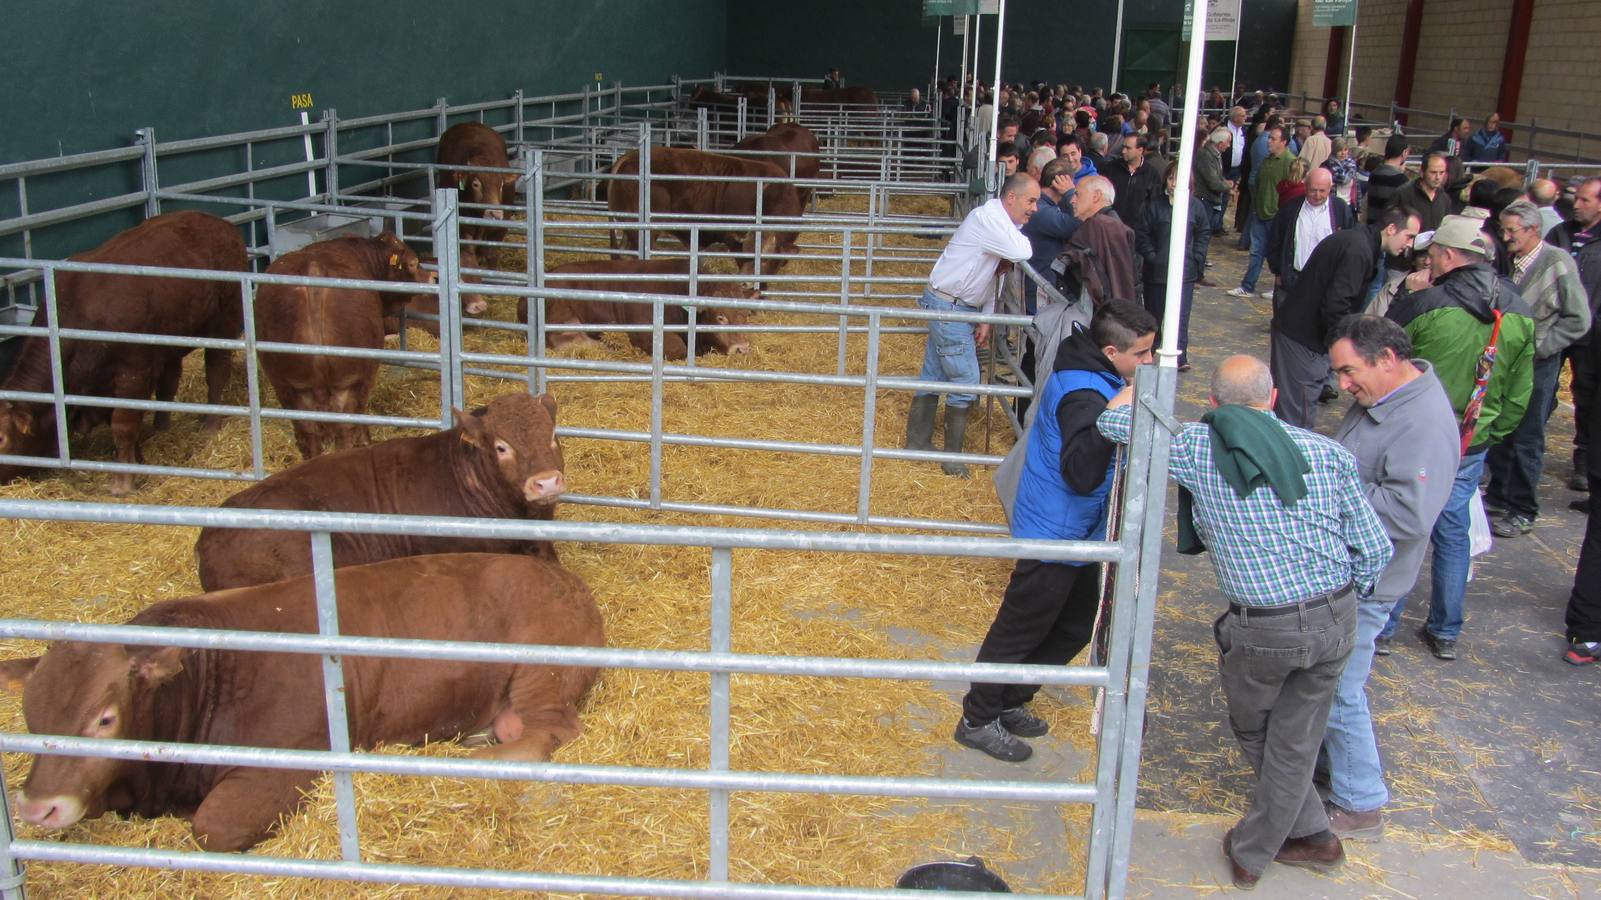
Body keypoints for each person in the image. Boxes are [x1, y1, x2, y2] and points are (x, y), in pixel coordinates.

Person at [1098, 355, 1392, 890]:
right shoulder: (1327, 452)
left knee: (1259, 728)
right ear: (1273, 397)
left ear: (1212, 405)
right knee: (1297, 737)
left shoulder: (1193, 448)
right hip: (1336, 613)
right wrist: (1347, 600)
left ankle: (1261, 848)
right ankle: (1313, 835)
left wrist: (1133, 383)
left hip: (1266, 627)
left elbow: (1111, 422)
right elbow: (1375, 549)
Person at [954, 301, 1157, 762]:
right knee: (1020, 628)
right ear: (1111, 351)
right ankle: (977, 719)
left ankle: (1010, 699)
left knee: (1078, 621)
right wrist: (1115, 416)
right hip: (1056, 526)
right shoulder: (1085, 394)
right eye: (1142, 355)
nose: (1149, 363)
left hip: (1080, 526)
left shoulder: (1097, 373)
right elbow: (1081, 472)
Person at [1321, 315, 1460, 841]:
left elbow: (1409, 512)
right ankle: (1330, 772)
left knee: (1339, 687)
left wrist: (1329, 496)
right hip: (1349, 570)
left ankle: (1361, 803)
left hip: (1371, 581)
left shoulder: (1421, 423)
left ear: (1387, 359)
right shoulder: (1380, 401)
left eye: (1349, 371)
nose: (1343, 385)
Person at [1382, 215, 1536, 660]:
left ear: (1448, 255)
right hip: (1473, 440)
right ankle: (1446, 629)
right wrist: (1490, 434)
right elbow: (1520, 392)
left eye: (1431, 255)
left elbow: (1382, 355)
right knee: (1454, 529)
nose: (1427, 262)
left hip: (1418, 436)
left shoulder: (1425, 303)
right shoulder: (1519, 312)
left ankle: (1385, 625)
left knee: (1407, 524)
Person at [904, 173, 1038, 476]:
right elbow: (1022, 252)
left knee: (935, 371)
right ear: (1011, 197)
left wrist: (985, 318)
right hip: (949, 305)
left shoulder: (1003, 225)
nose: (1035, 208)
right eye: (1031, 201)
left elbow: (995, 275)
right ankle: (952, 458)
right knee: (966, 378)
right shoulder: (989, 219)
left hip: (956, 304)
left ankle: (917, 441)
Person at [1482, 200, 1591, 536]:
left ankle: (1523, 508)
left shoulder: (1557, 263)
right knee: (1501, 427)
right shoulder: (1512, 261)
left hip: (1537, 366)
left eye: (1511, 230)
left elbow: (1579, 318)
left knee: (1527, 435)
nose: (1506, 236)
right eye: (1503, 229)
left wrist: (1543, 347)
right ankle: (1499, 495)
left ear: (1533, 230)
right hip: (1507, 360)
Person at [1271, 207, 1421, 428]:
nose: (1410, 245)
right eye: (1409, 236)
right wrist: (1345, 349)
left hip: (1302, 335)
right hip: (1304, 340)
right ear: (1391, 229)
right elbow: (1336, 305)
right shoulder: (1358, 250)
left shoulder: (1356, 241)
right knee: (1296, 417)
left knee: (1293, 410)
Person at [1549, 177, 1601, 501]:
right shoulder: (1561, 233)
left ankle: (1583, 462)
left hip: (1589, 334)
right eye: (1576, 199)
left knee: (1586, 397)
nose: (1576, 205)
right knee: (1540, 389)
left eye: (1584, 200)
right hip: (1555, 326)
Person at [1134, 160, 1207, 368]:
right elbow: (1142, 233)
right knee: (1153, 316)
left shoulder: (1196, 207)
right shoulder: (1154, 205)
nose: (1174, 182)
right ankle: (1149, 352)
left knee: (1181, 317)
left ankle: (1180, 356)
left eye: (1179, 177)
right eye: (1171, 177)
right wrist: (1152, 256)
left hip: (1185, 273)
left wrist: (1196, 257)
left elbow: (1203, 232)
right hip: (1156, 272)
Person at [1267, 168, 1356, 311]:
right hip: (1292, 278)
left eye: (1322, 191)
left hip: (1324, 282)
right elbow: (1275, 240)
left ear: (1330, 188)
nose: (1317, 195)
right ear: (1305, 186)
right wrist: (1277, 271)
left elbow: (1349, 246)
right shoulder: (1290, 208)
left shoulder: (1341, 210)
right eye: (1313, 190)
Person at [1229, 126, 1295, 300]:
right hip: (1260, 212)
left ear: (1284, 142)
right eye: (1269, 138)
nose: (1269, 141)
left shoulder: (1290, 162)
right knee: (1256, 251)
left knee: (1277, 253)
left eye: (1273, 138)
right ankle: (1248, 285)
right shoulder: (1267, 160)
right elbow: (1258, 183)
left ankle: (1278, 286)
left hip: (1276, 215)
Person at [1055, 175, 1139, 307]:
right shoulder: (1110, 225)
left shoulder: (1101, 226)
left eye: (1077, 194)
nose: (1072, 200)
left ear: (1096, 196)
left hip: (1106, 312)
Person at [1194, 128, 1233, 285]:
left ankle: (1198, 271)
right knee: (1200, 239)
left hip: (1210, 200)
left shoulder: (1214, 155)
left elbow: (1217, 177)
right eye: (1228, 142)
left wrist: (1225, 183)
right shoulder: (1206, 155)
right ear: (1221, 143)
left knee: (1204, 238)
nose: (1229, 146)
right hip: (1204, 200)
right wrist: (1227, 186)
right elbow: (1213, 181)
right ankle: (1196, 274)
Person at [1106, 133, 1162, 226]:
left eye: (1128, 148)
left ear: (1140, 150)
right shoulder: (1110, 168)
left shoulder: (1152, 174)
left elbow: (1154, 206)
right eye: (1123, 147)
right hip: (1112, 226)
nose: (1123, 151)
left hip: (1138, 231)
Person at [1396, 152, 1453, 233]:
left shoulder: (1444, 198)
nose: (1438, 177)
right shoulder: (1403, 193)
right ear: (1422, 173)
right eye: (1433, 172)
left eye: (1441, 173)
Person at [1365, 135, 1411, 225]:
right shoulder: (1401, 179)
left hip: (1371, 226)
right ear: (1404, 152)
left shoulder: (1374, 173)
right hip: (1388, 228)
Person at [1323, 138, 1360, 208]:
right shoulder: (1326, 165)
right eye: (1339, 150)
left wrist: (1358, 206)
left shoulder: (1352, 165)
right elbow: (1342, 180)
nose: (1343, 153)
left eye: (1345, 150)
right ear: (1334, 151)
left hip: (1350, 204)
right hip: (1333, 203)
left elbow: (1357, 187)